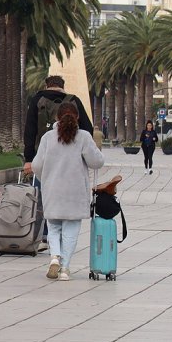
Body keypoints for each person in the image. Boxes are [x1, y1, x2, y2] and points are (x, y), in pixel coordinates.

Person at [32, 101, 104, 281]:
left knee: (54, 228)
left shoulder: (48, 137)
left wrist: (45, 179)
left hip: (53, 191)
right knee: (71, 231)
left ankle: (54, 257)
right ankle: (64, 268)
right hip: (75, 192)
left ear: (56, 117)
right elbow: (97, 162)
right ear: (77, 117)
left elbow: (36, 165)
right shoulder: (84, 137)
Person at [23, 75, 94, 249]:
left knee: (43, 196)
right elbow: (88, 128)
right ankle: (63, 234)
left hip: (44, 155)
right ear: (63, 86)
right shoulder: (74, 101)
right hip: (72, 160)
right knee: (68, 196)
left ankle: (45, 234)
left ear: (47, 85)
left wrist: (28, 159)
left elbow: (29, 130)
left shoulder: (37, 100)